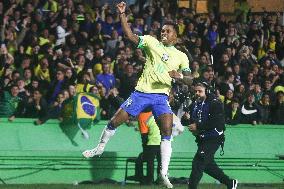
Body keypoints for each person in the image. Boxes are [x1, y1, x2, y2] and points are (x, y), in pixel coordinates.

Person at [82, 1, 191, 188]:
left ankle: (164, 173)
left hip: (161, 97)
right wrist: (123, 14)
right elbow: (130, 35)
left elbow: (189, 80)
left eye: (167, 31)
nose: (163, 33)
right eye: (162, 31)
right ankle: (99, 148)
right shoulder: (151, 41)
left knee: (167, 132)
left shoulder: (181, 56)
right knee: (115, 121)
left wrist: (179, 75)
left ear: (176, 36)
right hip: (141, 93)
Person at [187, 82, 238, 189]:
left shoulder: (215, 103)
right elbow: (190, 120)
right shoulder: (195, 104)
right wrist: (186, 119)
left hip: (214, 138)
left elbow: (217, 122)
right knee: (207, 165)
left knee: (198, 161)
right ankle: (230, 183)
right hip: (202, 139)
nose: (197, 93)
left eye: (200, 91)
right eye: (195, 91)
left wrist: (198, 126)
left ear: (207, 91)